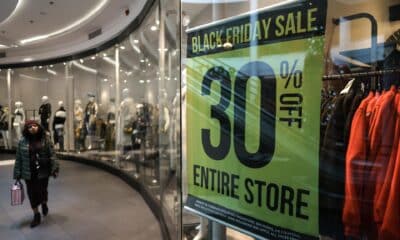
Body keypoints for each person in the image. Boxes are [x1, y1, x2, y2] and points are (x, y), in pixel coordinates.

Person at [13, 120, 59, 228]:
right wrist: (17, 173)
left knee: (42, 190)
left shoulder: (45, 140)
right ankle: (36, 215)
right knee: (32, 194)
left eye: (34, 125)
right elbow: (19, 159)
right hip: (29, 173)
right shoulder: (22, 142)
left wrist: (55, 168)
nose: (32, 128)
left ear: (38, 127)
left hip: (43, 171)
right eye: (29, 127)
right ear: (26, 129)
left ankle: (44, 203)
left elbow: (52, 154)